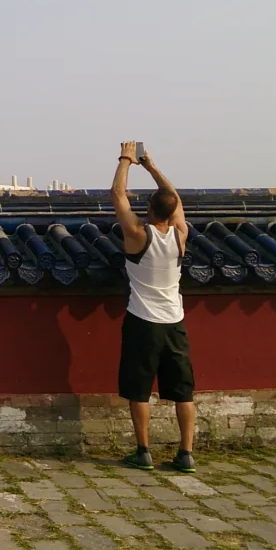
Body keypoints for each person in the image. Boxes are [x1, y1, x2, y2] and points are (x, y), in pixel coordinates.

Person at [111, 141, 195, 473]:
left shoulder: (137, 234)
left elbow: (118, 195)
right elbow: (174, 200)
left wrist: (126, 160)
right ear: (171, 212)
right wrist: (153, 167)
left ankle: (143, 450)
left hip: (143, 321)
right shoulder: (180, 234)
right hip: (175, 323)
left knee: (139, 390)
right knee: (183, 392)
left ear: (148, 210)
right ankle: (186, 453)